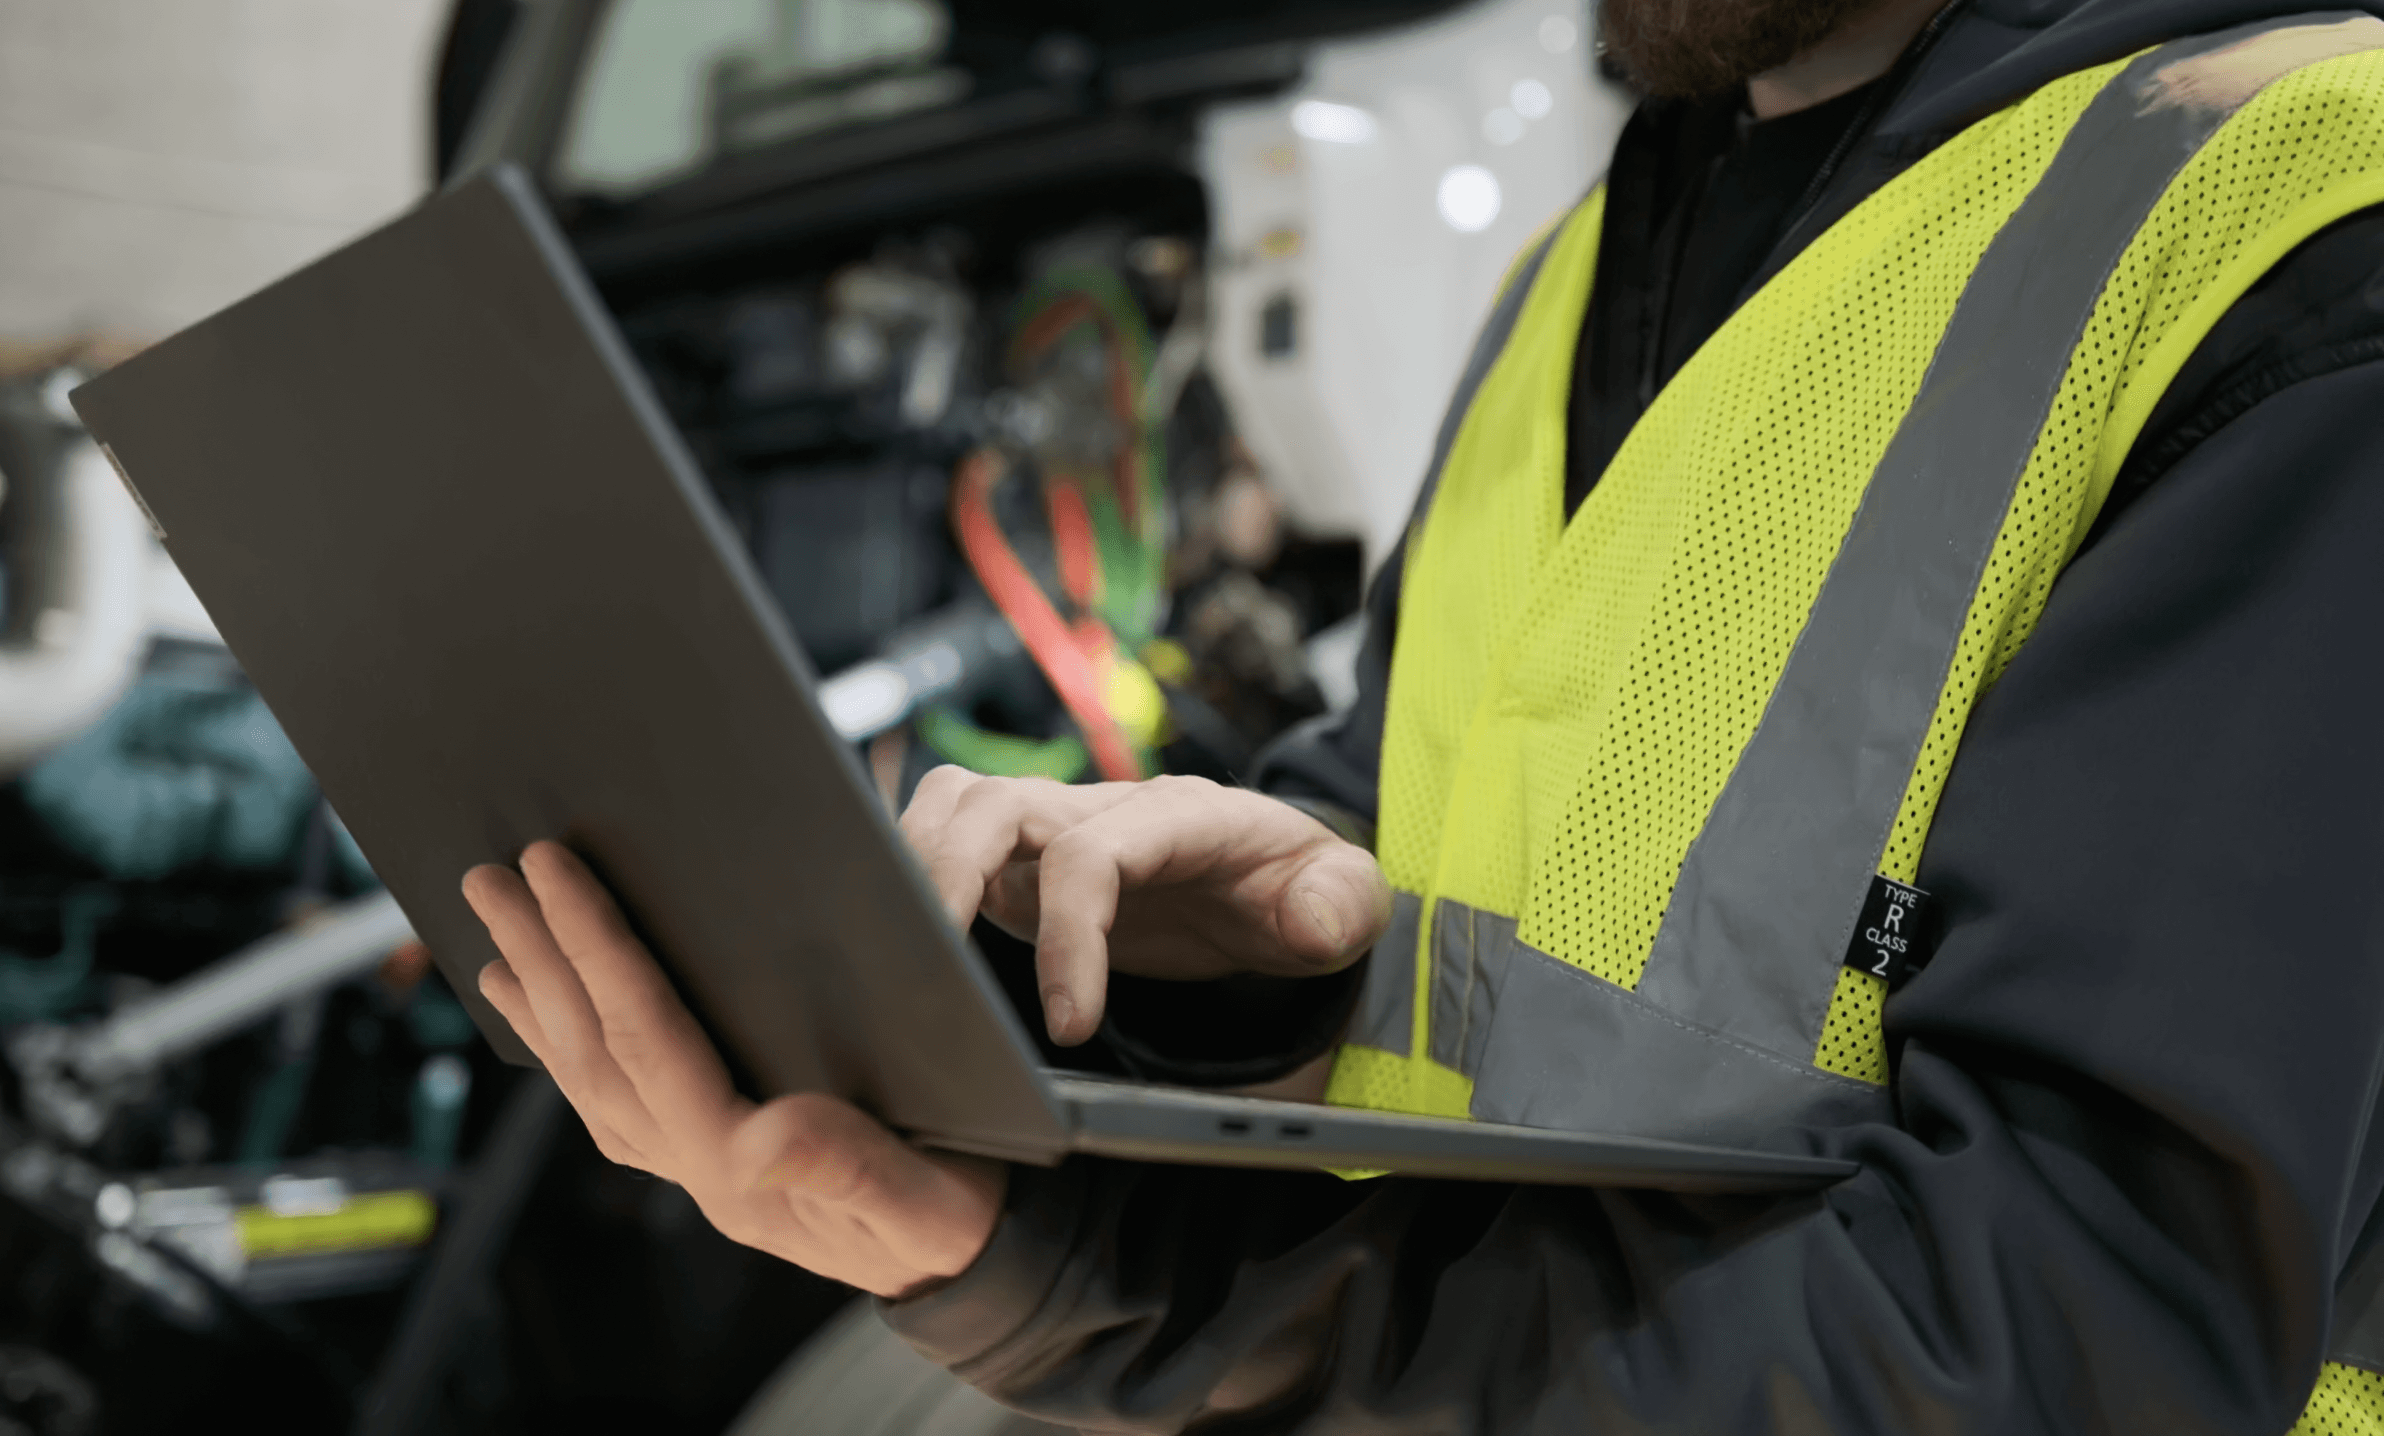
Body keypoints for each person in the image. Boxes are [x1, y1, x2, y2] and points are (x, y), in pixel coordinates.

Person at [460, 0, 2384, 1427]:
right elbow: (1472, 879)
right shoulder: (1606, 256)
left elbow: (2057, 1341)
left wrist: (1124, 1293)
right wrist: (1219, 975)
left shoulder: (2314, 240)